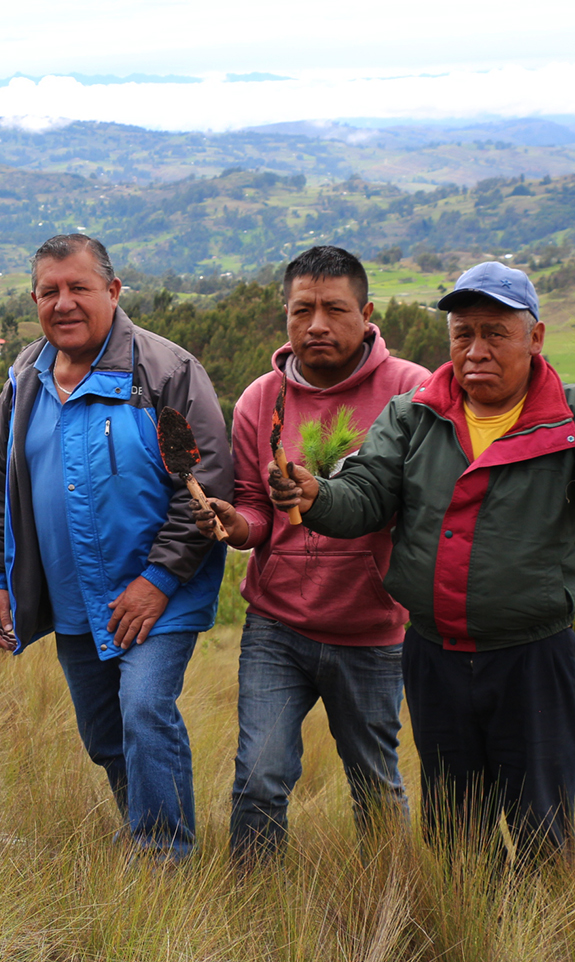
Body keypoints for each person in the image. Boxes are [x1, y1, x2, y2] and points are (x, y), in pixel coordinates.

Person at [267, 261, 575, 862]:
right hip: (435, 657)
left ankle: (539, 944)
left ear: (534, 339)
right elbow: (368, 496)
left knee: (541, 824)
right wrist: (316, 496)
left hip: (532, 658)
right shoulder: (415, 414)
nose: (476, 349)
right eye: (462, 334)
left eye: (495, 332)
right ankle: (465, 935)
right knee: (453, 831)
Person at [0, 233, 233, 860]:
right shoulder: (23, 382)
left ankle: (164, 860)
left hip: (156, 595)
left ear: (113, 292)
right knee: (105, 734)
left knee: (144, 710)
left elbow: (206, 486)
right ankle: (143, 822)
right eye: (48, 291)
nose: (63, 303)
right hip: (71, 599)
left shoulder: (166, 372)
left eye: (79, 288)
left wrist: (158, 582)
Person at [192, 246, 429, 864]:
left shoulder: (411, 391)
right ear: (286, 315)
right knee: (259, 779)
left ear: (367, 313)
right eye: (302, 310)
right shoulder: (259, 399)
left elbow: (429, 505)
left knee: (375, 786)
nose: (316, 324)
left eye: (334, 309)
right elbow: (255, 512)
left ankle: (388, 906)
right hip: (278, 625)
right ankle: (254, 909)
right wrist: (235, 524)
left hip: (371, 631)